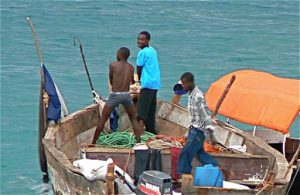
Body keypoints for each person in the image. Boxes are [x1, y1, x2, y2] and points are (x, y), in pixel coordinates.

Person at [92, 47, 142, 144]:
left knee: (103, 119)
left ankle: (93, 143)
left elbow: (111, 79)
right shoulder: (131, 67)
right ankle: (139, 143)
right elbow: (131, 81)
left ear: (119, 55)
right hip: (126, 95)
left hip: (115, 95)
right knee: (133, 119)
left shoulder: (113, 65)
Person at [177, 72, 219, 175]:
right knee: (201, 154)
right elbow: (193, 118)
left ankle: (183, 176)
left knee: (185, 154)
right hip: (193, 130)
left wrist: (211, 135)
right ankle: (218, 170)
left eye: (184, 84)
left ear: (191, 83)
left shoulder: (198, 95)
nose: (182, 86)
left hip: (198, 132)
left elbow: (206, 115)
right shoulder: (190, 95)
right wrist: (187, 133)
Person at [136, 31, 161, 134]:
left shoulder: (142, 52)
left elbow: (139, 68)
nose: (139, 41)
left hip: (147, 85)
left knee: (141, 113)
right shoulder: (152, 50)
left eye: (142, 39)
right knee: (151, 111)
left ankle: (139, 136)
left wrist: (138, 81)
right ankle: (152, 132)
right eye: (138, 39)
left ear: (148, 41)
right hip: (155, 85)